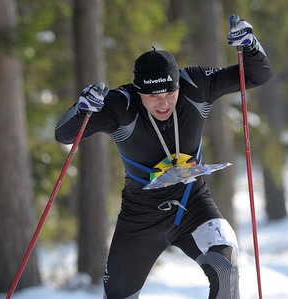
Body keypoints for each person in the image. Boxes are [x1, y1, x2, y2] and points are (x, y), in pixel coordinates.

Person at [54, 16, 272, 299]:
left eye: (170, 91)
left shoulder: (195, 85)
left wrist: (250, 45)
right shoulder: (122, 105)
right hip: (140, 216)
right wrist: (81, 109)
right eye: (153, 95)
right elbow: (64, 134)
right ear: (138, 90)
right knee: (118, 294)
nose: (164, 102)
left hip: (192, 204)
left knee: (225, 265)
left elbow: (256, 75)